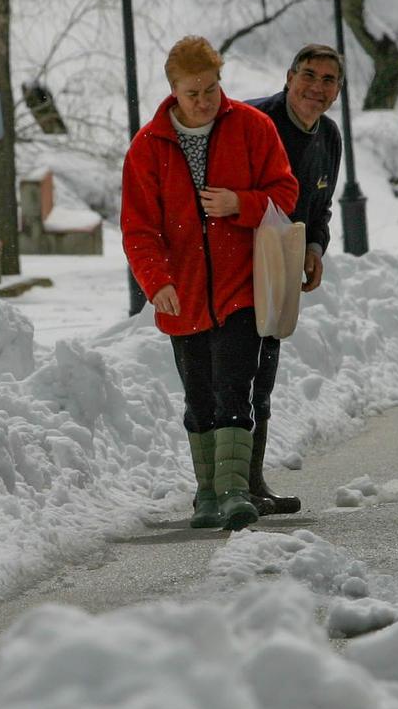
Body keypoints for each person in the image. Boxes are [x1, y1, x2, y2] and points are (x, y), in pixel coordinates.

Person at [122, 35, 300, 532]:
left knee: (233, 387)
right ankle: (206, 494)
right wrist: (155, 281)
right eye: (193, 92)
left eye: (212, 89)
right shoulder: (147, 148)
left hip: (242, 286)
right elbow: (138, 227)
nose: (204, 101)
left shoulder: (252, 127)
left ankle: (235, 493)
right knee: (198, 396)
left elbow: (285, 191)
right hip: (182, 294)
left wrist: (240, 204)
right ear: (172, 90)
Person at [243, 44, 344, 515]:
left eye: (328, 81)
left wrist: (315, 248)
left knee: (263, 372)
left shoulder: (330, 137)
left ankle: (251, 478)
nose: (316, 88)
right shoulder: (254, 123)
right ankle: (228, 484)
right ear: (288, 77)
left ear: (338, 92)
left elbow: (319, 209)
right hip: (239, 264)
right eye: (308, 75)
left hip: (281, 267)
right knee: (233, 375)